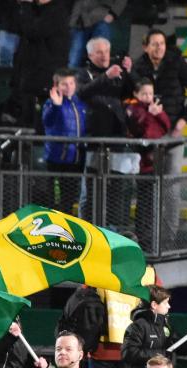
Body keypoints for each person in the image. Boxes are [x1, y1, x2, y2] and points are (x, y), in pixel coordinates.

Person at [132, 28, 187, 246]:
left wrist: (184, 120)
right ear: (145, 46)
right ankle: (145, 238)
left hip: (172, 135)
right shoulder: (139, 66)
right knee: (148, 187)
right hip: (148, 138)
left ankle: (168, 239)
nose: (159, 48)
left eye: (161, 43)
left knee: (171, 187)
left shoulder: (176, 62)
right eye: (154, 44)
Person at [75, 35, 137, 227]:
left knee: (118, 187)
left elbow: (134, 91)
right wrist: (105, 77)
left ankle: (115, 231)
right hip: (93, 140)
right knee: (90, 190)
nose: (104, 56)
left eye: (107, 52)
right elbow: (82, 92)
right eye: (99, 52)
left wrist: (129, 72)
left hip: (117, 138)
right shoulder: (83, 74)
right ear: (90, 54)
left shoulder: (117, 73)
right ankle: (86, 230)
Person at [125, 78, 171, 250]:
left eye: (150, 93)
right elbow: (141, 131)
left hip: (154, 163)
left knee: (151, 203)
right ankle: (142, 240)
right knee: (143, 204)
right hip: (141, 164)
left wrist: (158, 114)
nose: (148, 96)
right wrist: (150, 114)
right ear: (136, 94)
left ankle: (149, 240)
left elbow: (166, 126)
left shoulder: (154, 108)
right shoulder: (133, 109)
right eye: (144, 93)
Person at [10, 0, 71, 127]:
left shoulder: (57, 11)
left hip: (46, 78)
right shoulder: (34, 10)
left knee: (42, 123)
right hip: (30, 76)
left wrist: (25, 6)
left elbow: (33, 31)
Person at [41, 68, 87, 215]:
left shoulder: (80, 104)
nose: (69, 87)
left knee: (71, 197)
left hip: (76, 158)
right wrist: (56, 105)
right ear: (56, 85)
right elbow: (47, 121)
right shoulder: (51, 103)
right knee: (55, 198)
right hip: (58, 158)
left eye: (71, 83)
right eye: (64, 84)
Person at [68, 1, 128, 68]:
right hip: (79, 20)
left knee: (100, 57)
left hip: (100, 17)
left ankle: (101, 77)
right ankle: (71, 77)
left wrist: (113, 14)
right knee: (75, 58)